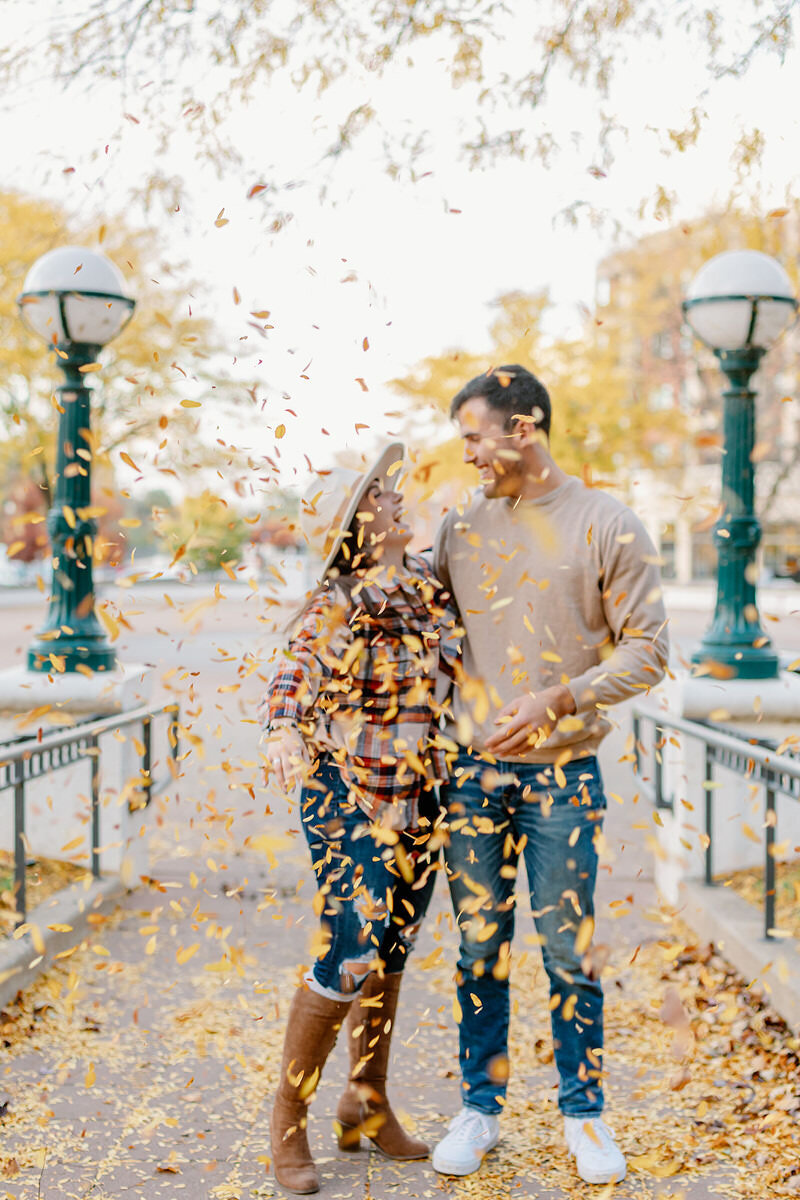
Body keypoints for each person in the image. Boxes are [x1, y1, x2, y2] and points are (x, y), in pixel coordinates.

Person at [430, 365, 669, 1185]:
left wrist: (558, 698)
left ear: (523, 428)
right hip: (468, 776)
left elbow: (649, 651)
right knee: (477, 950)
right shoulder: (459, 528)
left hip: (564, 779)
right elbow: (413, 626)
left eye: (474, 436)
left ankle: (585, 1114)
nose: (466, 455)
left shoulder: (609, 524)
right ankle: (480, 1109)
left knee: (569, 954)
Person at [260, 443, 460, 1195]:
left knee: (394, 943)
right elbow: (297, 666)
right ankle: (287, 1118)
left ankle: (365, 1104)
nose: (398, 497)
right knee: (349, 947)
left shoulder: (424, 584)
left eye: (394, 488)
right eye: (382, 494)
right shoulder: (339, 599)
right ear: (355, 523)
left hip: (420, 791)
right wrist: (282, 727)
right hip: (347, 792)